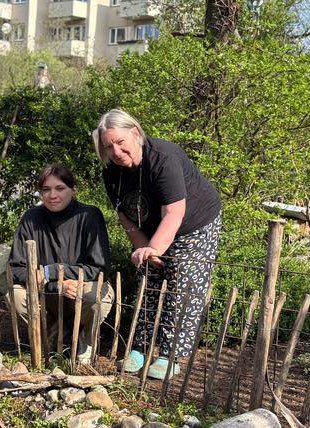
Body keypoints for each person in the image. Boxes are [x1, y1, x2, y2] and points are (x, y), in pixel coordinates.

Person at [93, 109, 222, 379]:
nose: (115, 151)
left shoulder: (164, 158)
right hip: (151, 227)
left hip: (193, 224)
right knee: (148, 277)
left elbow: (174, 214)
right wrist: (143, 251)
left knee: (182, 284)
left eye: (120, 142)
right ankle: (139, 349)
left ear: (135, 134)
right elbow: (126, 219)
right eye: (108, 146)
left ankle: (169, 355)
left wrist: (155, 248)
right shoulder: (112, 174)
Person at [0, 164, 114, 363]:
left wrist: (54, 270)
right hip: (46, 292)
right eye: (46, 190)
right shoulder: (31, 218)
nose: (52, 195)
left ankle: (84, 339)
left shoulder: (89, 216)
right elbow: (16, 267)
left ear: (73, 190)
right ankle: (49, 332)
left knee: (95, 297)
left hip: (80, 289)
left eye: (60, 188)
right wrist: (55, 284)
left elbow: (99, 268)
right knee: (15, 294)